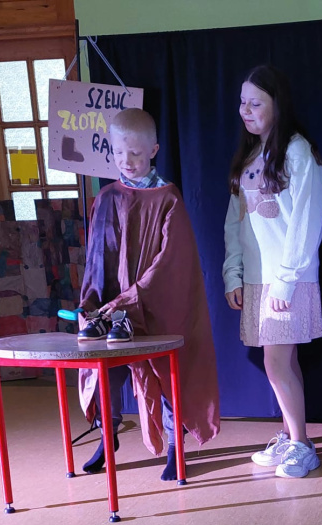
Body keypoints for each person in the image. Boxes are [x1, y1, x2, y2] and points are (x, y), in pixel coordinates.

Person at [75, 108, 220, 481]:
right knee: (105, 370)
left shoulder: (167, 198)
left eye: (136, 153)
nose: (127, 161)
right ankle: (107, 435)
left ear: (154, 150)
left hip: (154, 305)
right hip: (112, 309)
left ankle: (175, 445)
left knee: (167, 374)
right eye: (119, 152)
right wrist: (93, 305)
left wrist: (132, 298)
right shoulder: (106, 197)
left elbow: (171, 262)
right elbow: (97, 260)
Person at [223, 65, 322, 478]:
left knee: (276, 362)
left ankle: (302, 445)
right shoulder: (249, 157)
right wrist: (233, 273)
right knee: (284, 360)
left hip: (287, 280)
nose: (245, 110)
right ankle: (290, 436)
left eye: (255, 103)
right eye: (242, 102)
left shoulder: (298, 152)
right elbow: (235, 222)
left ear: (277, 104)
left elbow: (306, 222)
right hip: (257, 279)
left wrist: (285, 281)